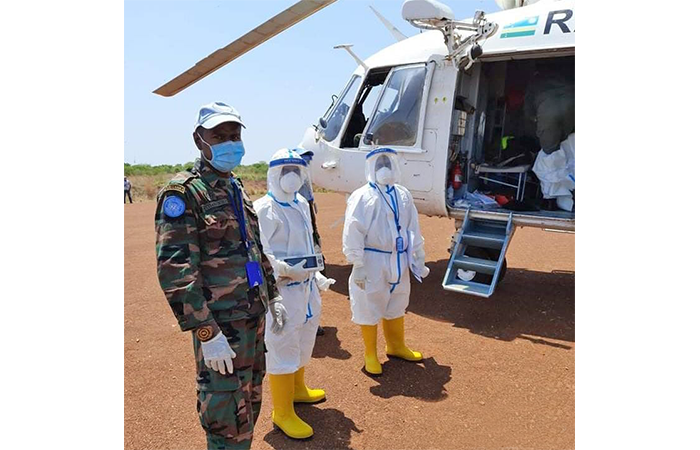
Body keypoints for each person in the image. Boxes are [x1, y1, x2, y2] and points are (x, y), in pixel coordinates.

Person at [154, 101, 287, 450]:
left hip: (251, 319)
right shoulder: (183, 193)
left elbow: (252, 247)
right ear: (199, 140)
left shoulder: (234, 187)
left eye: (235, 135)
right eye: (220, 136)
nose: (231, 143)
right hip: (221, 326)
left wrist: (271, 294)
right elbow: (175, 269)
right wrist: (206, 331)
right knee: (225, 415)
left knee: (250, 405)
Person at [253, 148, 335, 439]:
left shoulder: (301, 202)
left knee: (304, 336)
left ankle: (298, 390)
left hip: (307, 287)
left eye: (296, 170)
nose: (292, 176)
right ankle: (282, 412)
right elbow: (258, 252)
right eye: (285, 170)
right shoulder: (264, 208)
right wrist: (284, 269)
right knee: (283, 344)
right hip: (282, 291)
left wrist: (317, 274)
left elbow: (308, 243)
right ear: (274, 174)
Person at [342, 148, 430, 376]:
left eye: (388, 163)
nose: (385, 169)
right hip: (372, 259)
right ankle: (370, 353)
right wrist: (357, 263)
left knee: (398, 299)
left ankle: (396, 345)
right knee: (369, 302)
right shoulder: (363, 196)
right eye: (380, 164)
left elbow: (413, 226)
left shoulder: (403, 194)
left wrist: (418, 254)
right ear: (370, 167)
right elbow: (353, 230)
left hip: (398, 258)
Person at [296, 148, 327, 336]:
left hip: (311, 244)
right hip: (298, 251)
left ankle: (312, 320)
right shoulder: (290, 194)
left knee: (314, 283)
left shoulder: (306, 190)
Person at [524, 64, 575, 154]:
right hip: (570, 103)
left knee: (550, 152)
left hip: (547, 112)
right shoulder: (567, 76)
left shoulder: (535, 81)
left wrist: (535, 119)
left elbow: (528, 110)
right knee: (569, 144)